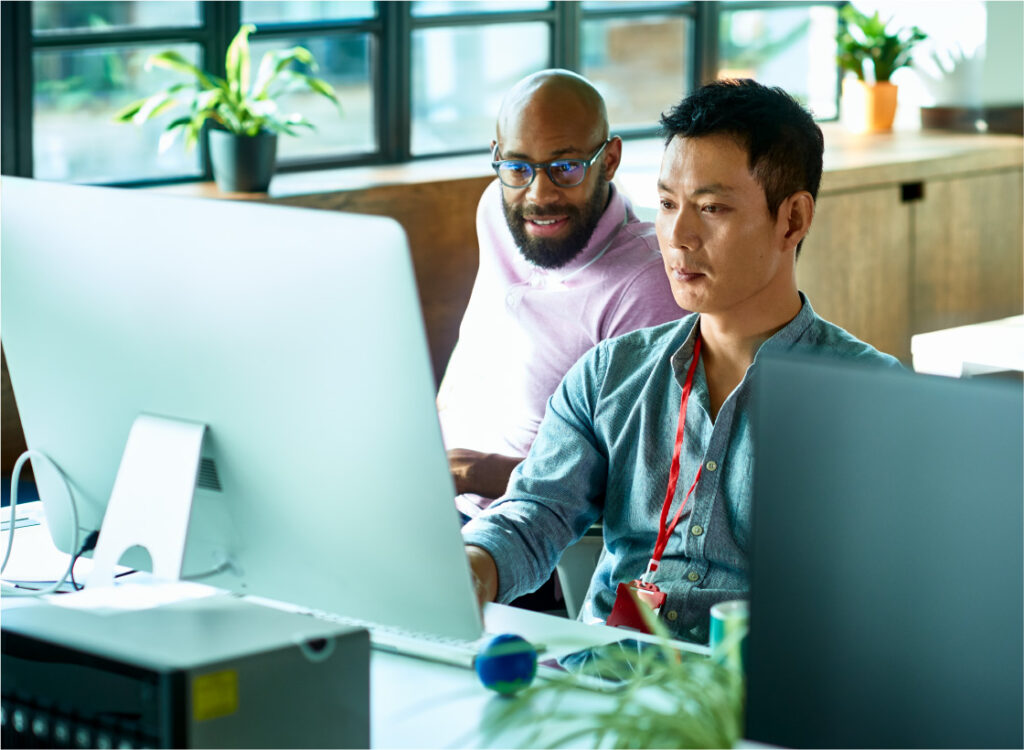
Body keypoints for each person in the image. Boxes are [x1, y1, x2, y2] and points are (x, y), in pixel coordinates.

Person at [461, 78, 903, 643]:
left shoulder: (871, 396)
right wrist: (474, 565)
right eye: (668, 204)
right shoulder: (608, 375)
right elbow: (536, 512)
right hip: (607, 684)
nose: (678, 236)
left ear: (791, 220)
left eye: (712, 208)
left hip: (755, 706)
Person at [437, 69, 685, 522]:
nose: (538, 194)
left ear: (609, 160)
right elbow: (475, 347)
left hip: (528, 535)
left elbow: (637, 483)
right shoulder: (496, 208)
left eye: (565, 167)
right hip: (437, 496)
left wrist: (471, 472)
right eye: (517, 167)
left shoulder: (648, 283)